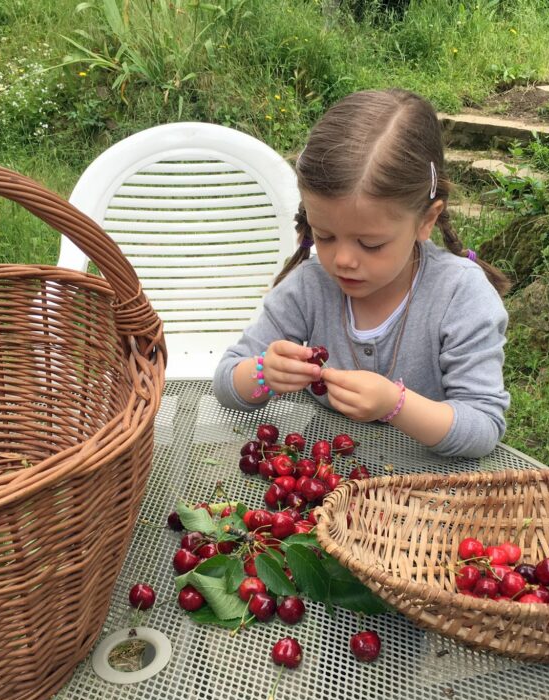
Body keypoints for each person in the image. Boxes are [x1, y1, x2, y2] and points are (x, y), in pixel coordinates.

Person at [213, 88, 511, 458]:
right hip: (324, 481)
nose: (343, 260)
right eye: (324, 235)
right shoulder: (310, 288)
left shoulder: (459, 294)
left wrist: (395, 405)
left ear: (426, 220)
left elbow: (483, 427)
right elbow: (226, 384)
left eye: (370, 244)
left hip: (425, 489)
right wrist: (262, 374)